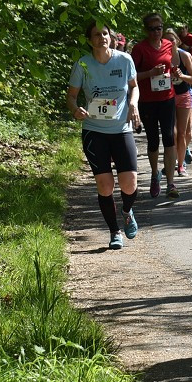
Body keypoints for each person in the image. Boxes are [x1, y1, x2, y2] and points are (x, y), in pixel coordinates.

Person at [67, 21, 141, 249]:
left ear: (112, 37)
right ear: (90, 40)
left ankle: (127, 211)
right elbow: (71, 97)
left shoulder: (124, 60)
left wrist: (133, 104)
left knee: (129, 183)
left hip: (121, 129)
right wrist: (76, 109)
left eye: (105, 33)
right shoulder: (83, 65)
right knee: (104, 185)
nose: (102, 37)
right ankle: (114, 231)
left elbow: (134, 86)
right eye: (97, 35)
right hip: (94, 130)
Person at [131, 13, 180, 199]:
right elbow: (132, 76)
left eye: (159, 28)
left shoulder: (168, 44)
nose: (156, 32)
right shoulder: (139, 49)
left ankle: (170, 182)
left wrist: (174, 69)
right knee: (153, 140)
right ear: (146, 30)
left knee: (169, 137)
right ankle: (154, 175)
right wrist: (151, 72)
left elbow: (174, 65)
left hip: (167, 97)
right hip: (148, 101)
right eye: (152, 29)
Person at [164, 28, 192, 175]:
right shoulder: (161, 56)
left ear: (177, 41)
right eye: (166, 40)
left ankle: (180, 164)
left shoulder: (185, 56)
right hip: (168, 97)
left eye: (172, 40)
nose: (169, 43)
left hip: (184, 94)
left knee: (184, 133)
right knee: (173, 132)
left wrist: (181, 76)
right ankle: (173, 162)